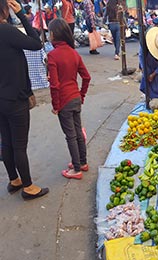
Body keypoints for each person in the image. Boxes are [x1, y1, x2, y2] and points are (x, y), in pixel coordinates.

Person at [0, 0, 49, 200]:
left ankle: (14, 179)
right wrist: (22, 15)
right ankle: (28, 186)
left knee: (7, 142)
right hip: (14, 98)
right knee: (19, 144)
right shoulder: (7, 32)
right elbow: (36, 43)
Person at [47, 18, 91, 179]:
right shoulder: (74, 53)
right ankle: (82, 162)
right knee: (78, 132)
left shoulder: (52, 55)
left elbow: (55, 85)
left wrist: (56, 105)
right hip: (75, 98)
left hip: (64, 100)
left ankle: (76, 168)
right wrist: (82, 95)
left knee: (71, 135)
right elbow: (86, 77)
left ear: (53, 34)